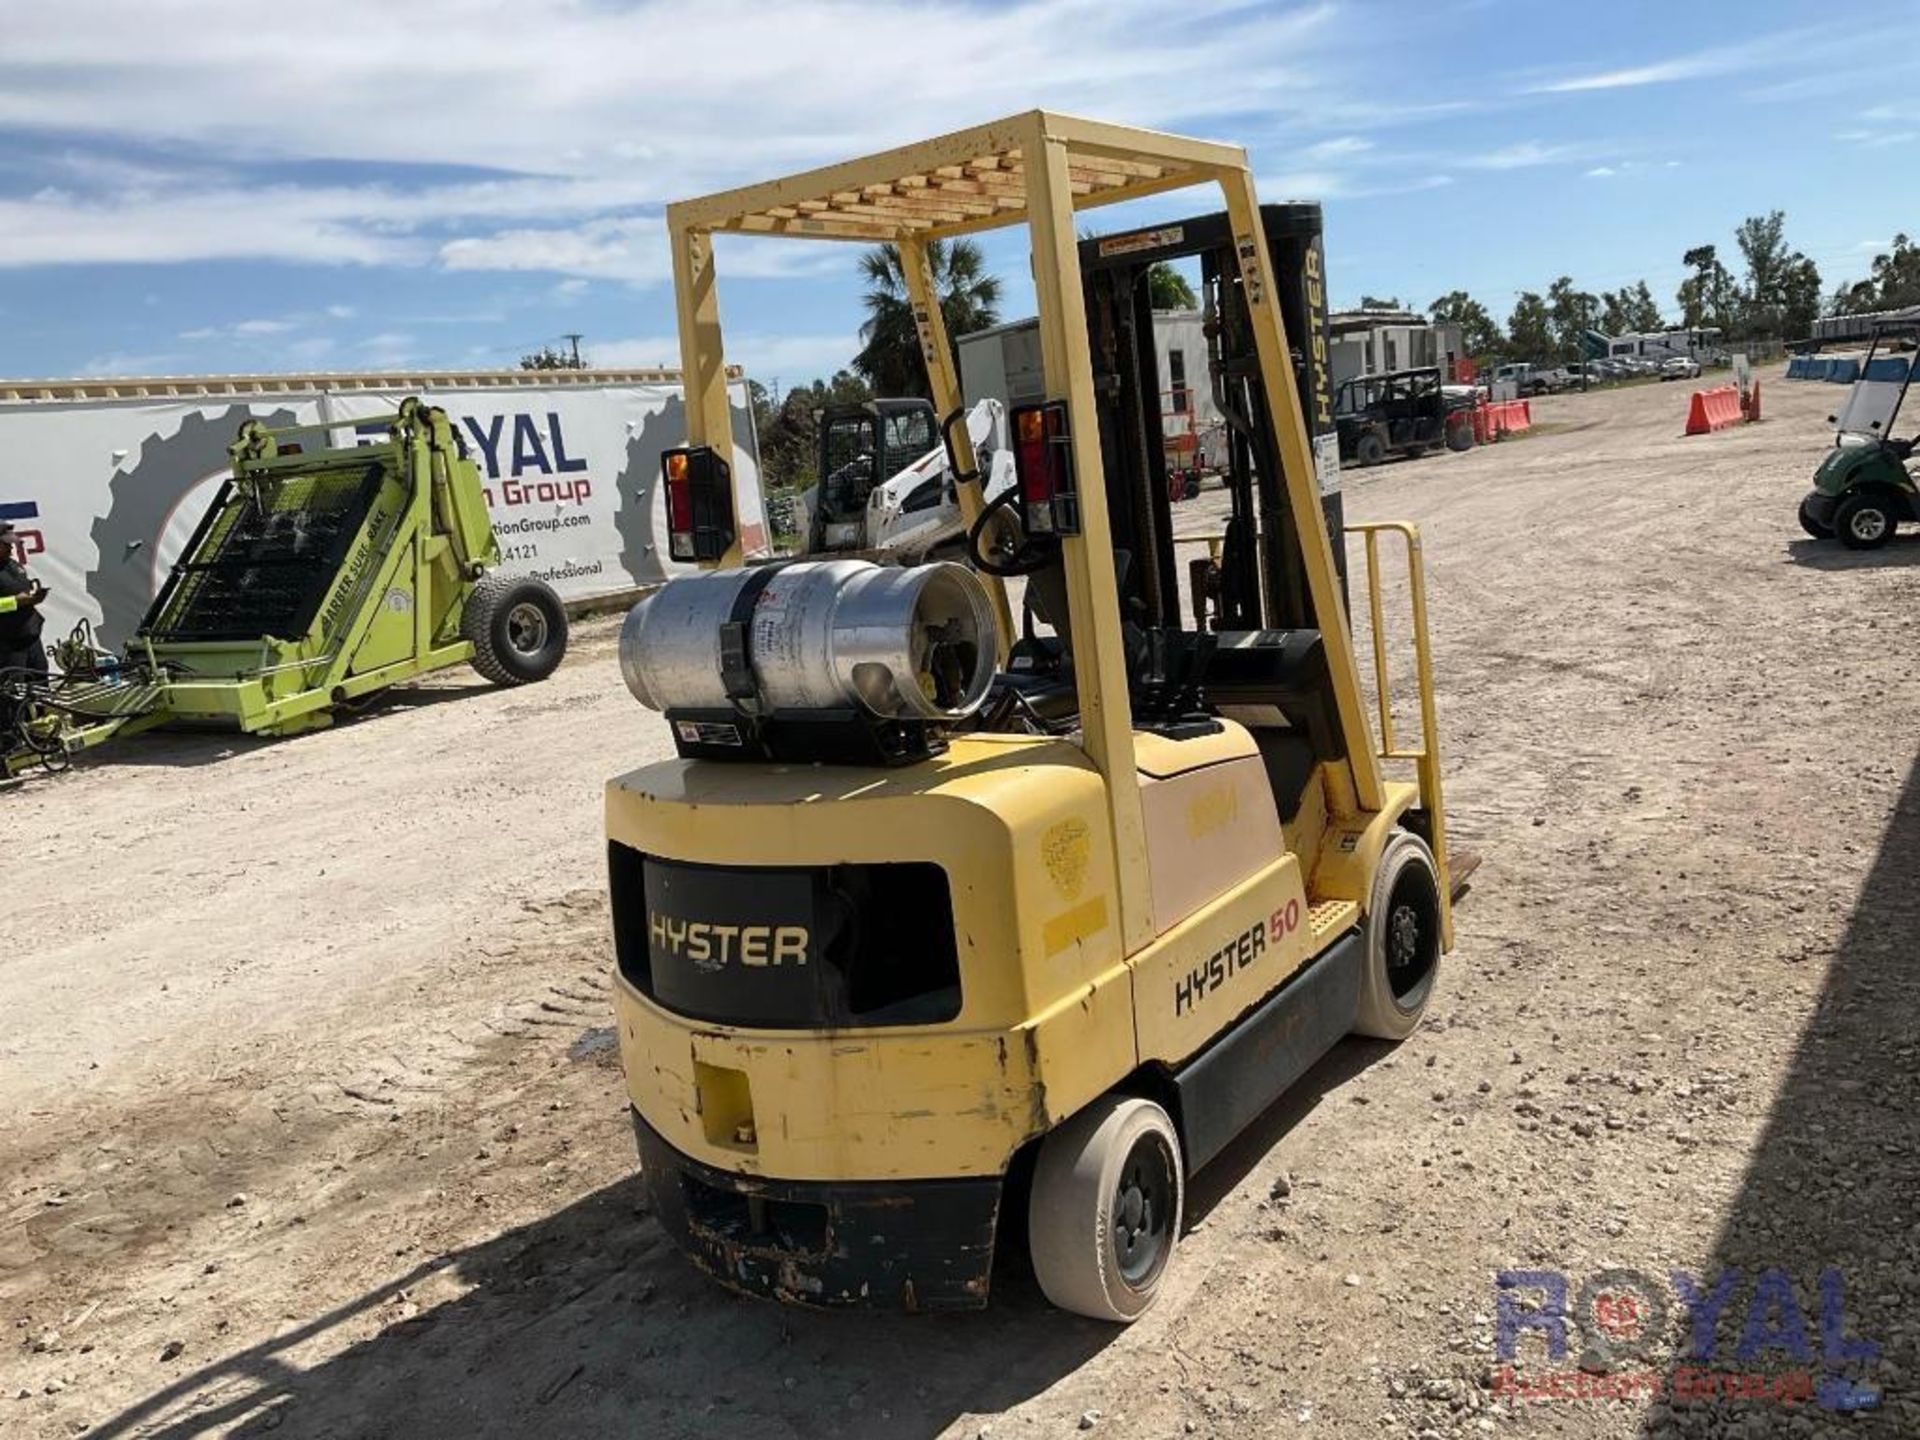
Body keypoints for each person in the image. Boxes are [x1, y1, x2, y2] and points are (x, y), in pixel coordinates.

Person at [0, 519, 50, 684]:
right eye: (6, 544)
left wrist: (34, 598)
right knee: (15, 692)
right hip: (8, 645)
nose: (11, 547)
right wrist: (16, 601)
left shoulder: (13, 564)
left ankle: (42, 710)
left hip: (30, 637)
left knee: (40, 682)